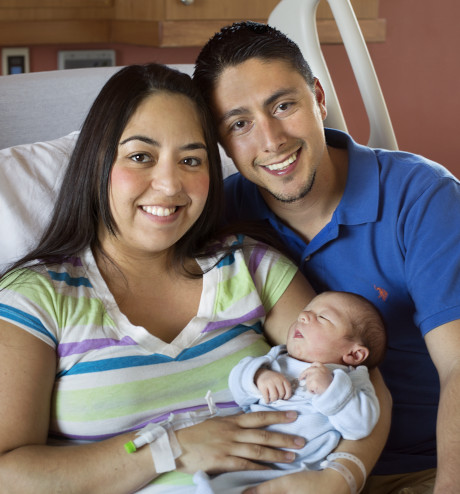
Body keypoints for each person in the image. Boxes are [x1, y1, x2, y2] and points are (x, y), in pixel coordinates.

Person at [0, 63, 388, 494]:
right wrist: (170, 449)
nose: (169, 184)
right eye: (140, 156)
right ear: (97, 161)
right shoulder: (36, 299)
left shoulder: (249, 267)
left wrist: (341, 477)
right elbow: (7, 473)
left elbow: (361, 378)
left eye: (190, 160)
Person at [193, 20, 460, 494]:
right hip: (290, 472)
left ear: (318, 97)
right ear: (222, 142)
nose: (271, 139)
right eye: (240, 123)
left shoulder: (423, 198)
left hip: (424, 467)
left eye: (283, 105)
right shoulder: (222, 214)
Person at [193, 291, 386, 493]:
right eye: (306, 310)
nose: (303, 316)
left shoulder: (351, 380)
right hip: (247, 458)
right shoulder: (277, 357)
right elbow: (238, 384)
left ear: (354, 354)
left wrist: (330, 389)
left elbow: (359, 427)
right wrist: (258, 377)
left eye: (322, 317)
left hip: (299, 471)